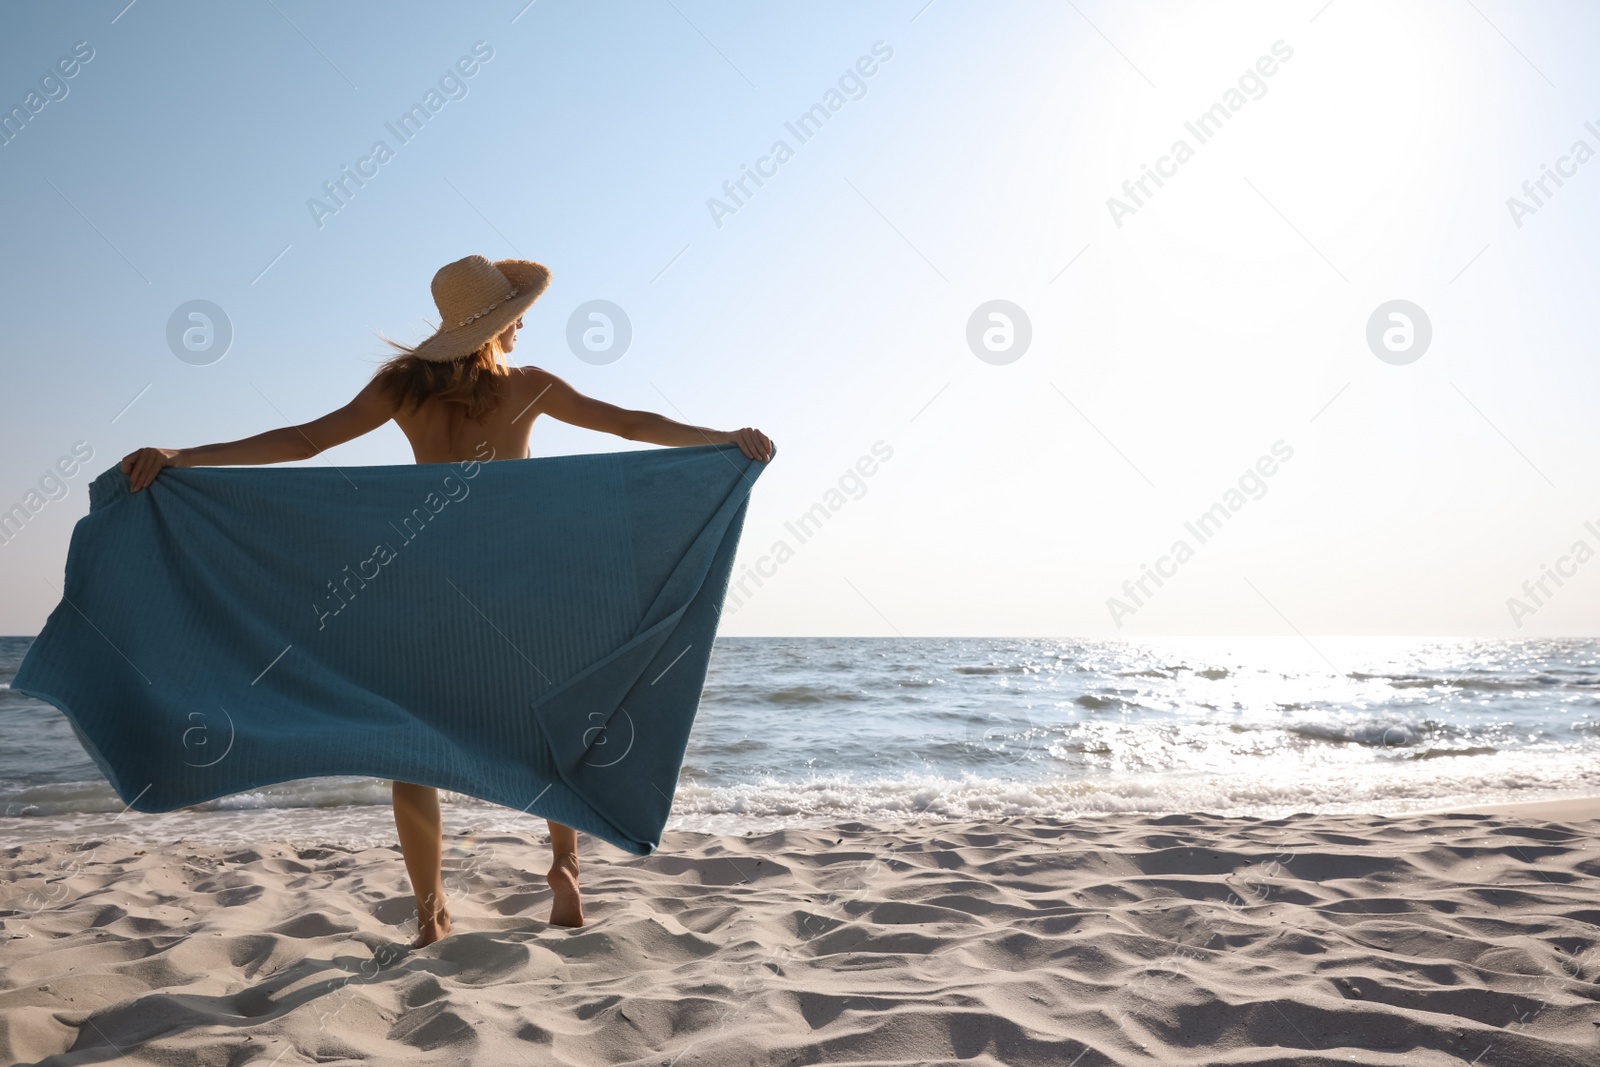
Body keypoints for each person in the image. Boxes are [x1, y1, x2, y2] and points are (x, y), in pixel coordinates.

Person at [120, 255, 773, 947]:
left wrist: (184, 454)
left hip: (425, 589)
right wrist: (720, 440)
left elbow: (305, 441)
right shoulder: (529, 386)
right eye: (515, 315)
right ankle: (563, 864)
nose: (522, 324)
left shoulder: (403, 388)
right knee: (557, 727)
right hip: (522, 586)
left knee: (410, 745)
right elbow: (631, 427)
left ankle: (430, 909)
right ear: (497, 324)